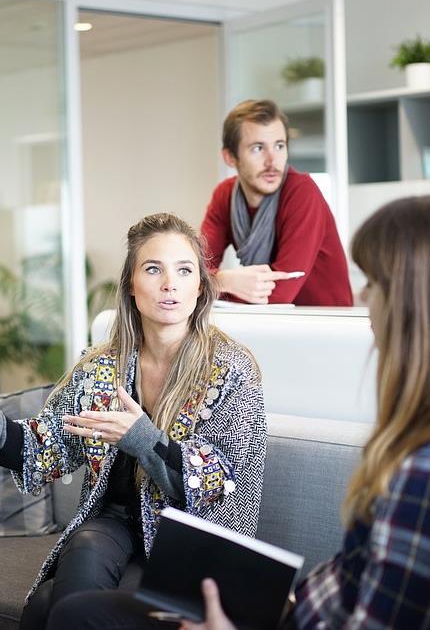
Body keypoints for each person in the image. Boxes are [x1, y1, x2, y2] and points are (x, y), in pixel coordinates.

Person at [0, 213, 266, 630]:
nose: (169, 284)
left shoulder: (232, 370)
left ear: (200, 286)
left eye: (184, 270)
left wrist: (142, 438)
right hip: (114, 522)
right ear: (130, 284)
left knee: (47, 606)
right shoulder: (101, 365)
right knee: (81, 559)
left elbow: (223, 484)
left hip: (188, 538)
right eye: (153, 268)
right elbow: (46, 444)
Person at [177, 195, 430, 629]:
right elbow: (349, 580)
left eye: (374, 282)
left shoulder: (418, 475)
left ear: (410, 301)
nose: (363, 297)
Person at [201, 99, 353, 306]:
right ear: (230, 158)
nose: (272, 161)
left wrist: (214, 284)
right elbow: (192, 272)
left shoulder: (302, 192)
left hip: (324, 325)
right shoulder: (225, 195)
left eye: (279, 146)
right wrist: (222, 280)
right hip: (269, 323)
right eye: (257, 148)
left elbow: (279, 295)